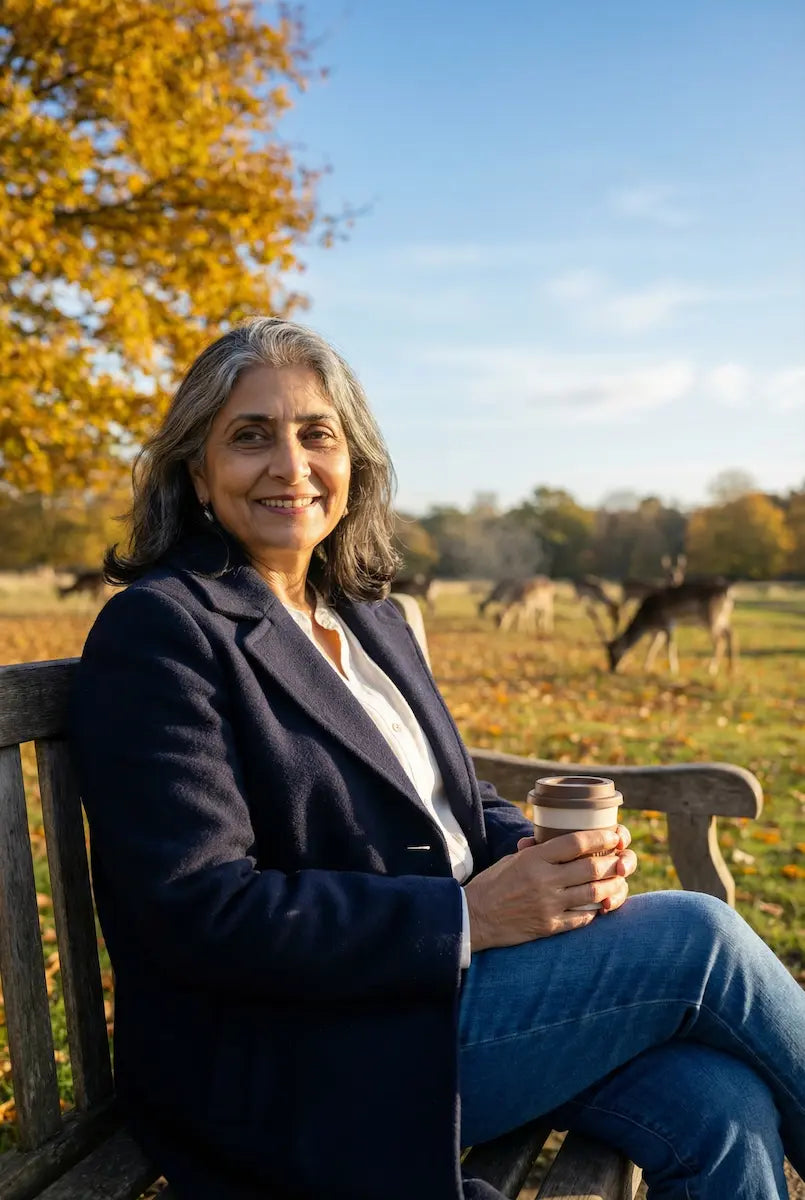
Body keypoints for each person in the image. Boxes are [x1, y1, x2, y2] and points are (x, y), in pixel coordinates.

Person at [71, 318, 805, 1200]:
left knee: (717, 1104)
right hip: (305, 1048)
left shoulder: (365, 613)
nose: (291, 466)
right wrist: (466, 918)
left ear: (354, 463)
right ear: (197, 472)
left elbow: (449, 798)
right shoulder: (164, 629)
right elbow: (198, 910)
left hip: (449, 1000)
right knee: (699, 937)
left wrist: (533, 859)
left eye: (317, 434)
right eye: (250, 437)